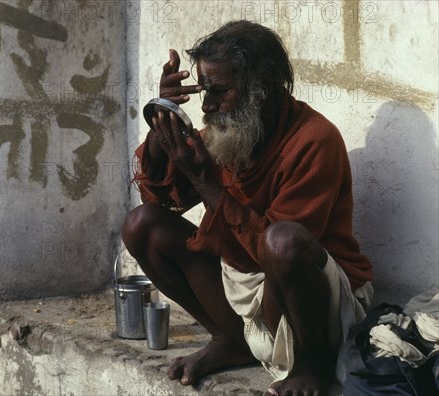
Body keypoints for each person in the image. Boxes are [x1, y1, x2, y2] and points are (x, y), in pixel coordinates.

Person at [121, 20, 374, 396]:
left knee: (282, 241)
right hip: (246, 284)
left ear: (263, 86)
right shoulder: (226, 133)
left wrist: (207, 182)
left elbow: (276, 254)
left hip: (311, 301)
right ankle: (230, 339)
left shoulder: (315, 140)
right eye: (203, 91)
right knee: (142, 225)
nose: (207, 106)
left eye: (220, 91)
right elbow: (158, 200)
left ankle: (311, 366)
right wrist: (163, 124)